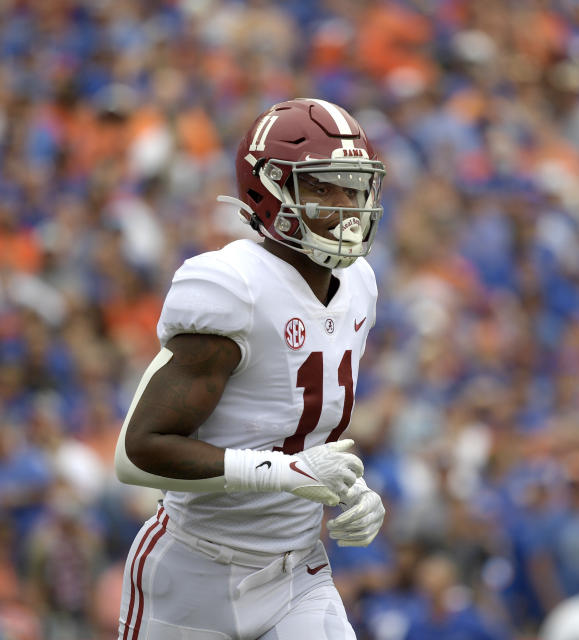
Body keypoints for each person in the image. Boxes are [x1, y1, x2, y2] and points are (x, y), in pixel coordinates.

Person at [114, 98, 388, 640]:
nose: (345, 205)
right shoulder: (232, 285)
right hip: (194, 573)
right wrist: (289, 475)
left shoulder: (360, 285)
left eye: (352, 186)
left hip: (298, 573)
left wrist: (350, 492)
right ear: (269, 192)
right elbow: (137, 452)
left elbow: (296, 426)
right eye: (321, 187)